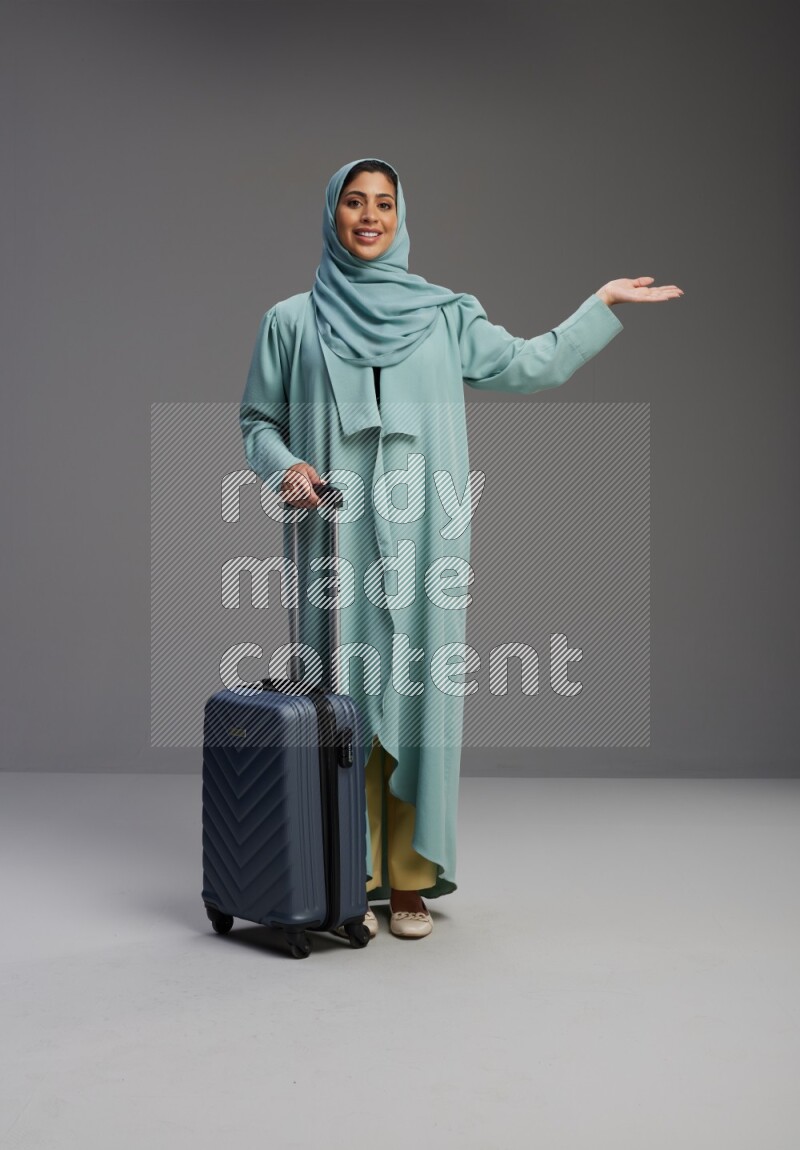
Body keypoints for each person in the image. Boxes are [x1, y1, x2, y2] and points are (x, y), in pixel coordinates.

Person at [239, 156, 683, 942]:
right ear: (332, 215)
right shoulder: (290, 320)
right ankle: (347, 876)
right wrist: (287, 467)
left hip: (422, 540)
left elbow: (524, 364)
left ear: (401, 217)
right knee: (338, 705)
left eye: (383, 203)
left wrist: (600, 307)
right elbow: (257, 423)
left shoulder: (444, 316)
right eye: (353, 202)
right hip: (332, 540)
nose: (368, 216)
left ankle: (407, 881)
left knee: (416, 701)